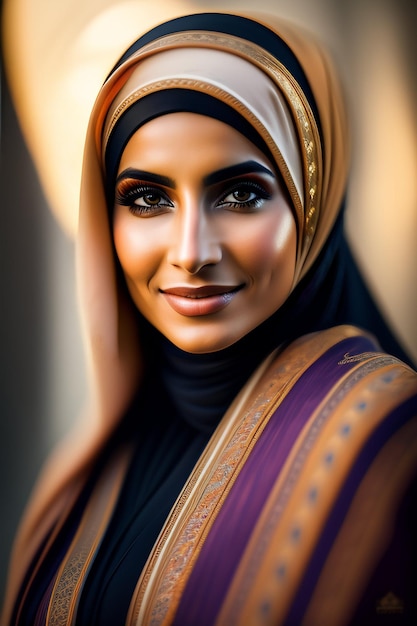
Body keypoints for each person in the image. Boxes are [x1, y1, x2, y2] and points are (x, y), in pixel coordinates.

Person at [2, 10, 417, 626]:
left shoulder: (389, 434)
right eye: (148, 199)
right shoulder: (94, 464)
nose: (192, 251)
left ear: (313, 201)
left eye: (240, 195)